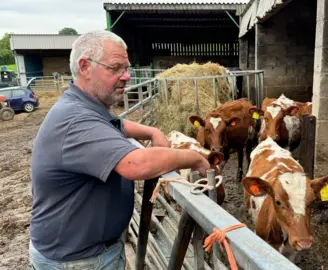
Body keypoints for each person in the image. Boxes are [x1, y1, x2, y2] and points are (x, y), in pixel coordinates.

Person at [28, 30, 210, 269]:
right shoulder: (76, 120)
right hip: (77, 261)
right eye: (115, 68)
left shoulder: (83, 106)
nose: (126, 77)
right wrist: (194, 157)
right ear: (84, 67)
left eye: (127, 69)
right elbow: (138, 165)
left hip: (83, 252)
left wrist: (151, 132)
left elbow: (116, 124)